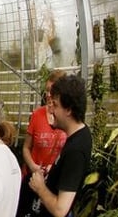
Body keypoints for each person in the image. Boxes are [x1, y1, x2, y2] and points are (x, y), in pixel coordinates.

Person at [26, 75, 92, 217]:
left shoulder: (76, 150)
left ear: (68, 110)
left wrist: (40, 188)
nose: (51, 110)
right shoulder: (77, 135)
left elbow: (60, 210)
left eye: (55, 105)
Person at [17, 70, 67, 216]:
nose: (48, 95)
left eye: (52, 91)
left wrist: (54, 168)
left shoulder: (67, 118)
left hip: (52, 182)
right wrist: (33, 166)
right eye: (47, 91)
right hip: (32, 178)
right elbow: (26, 147)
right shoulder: (37, 115)